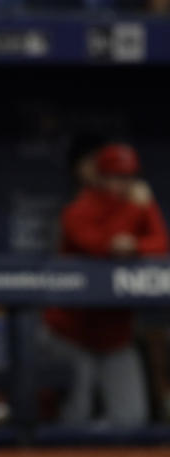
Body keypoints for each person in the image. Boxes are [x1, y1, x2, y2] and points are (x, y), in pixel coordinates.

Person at [43, 142, 169, 426]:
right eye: (115, 177)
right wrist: (137, 213)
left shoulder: (139, 207)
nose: (122, 185)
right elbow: (101, 245)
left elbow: (161, 245)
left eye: (128, 177)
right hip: (71, 334)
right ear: (99, 177)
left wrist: (144, 213)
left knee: (131, 420)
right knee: (76, 416)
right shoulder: (78, 209)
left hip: (114, 337)